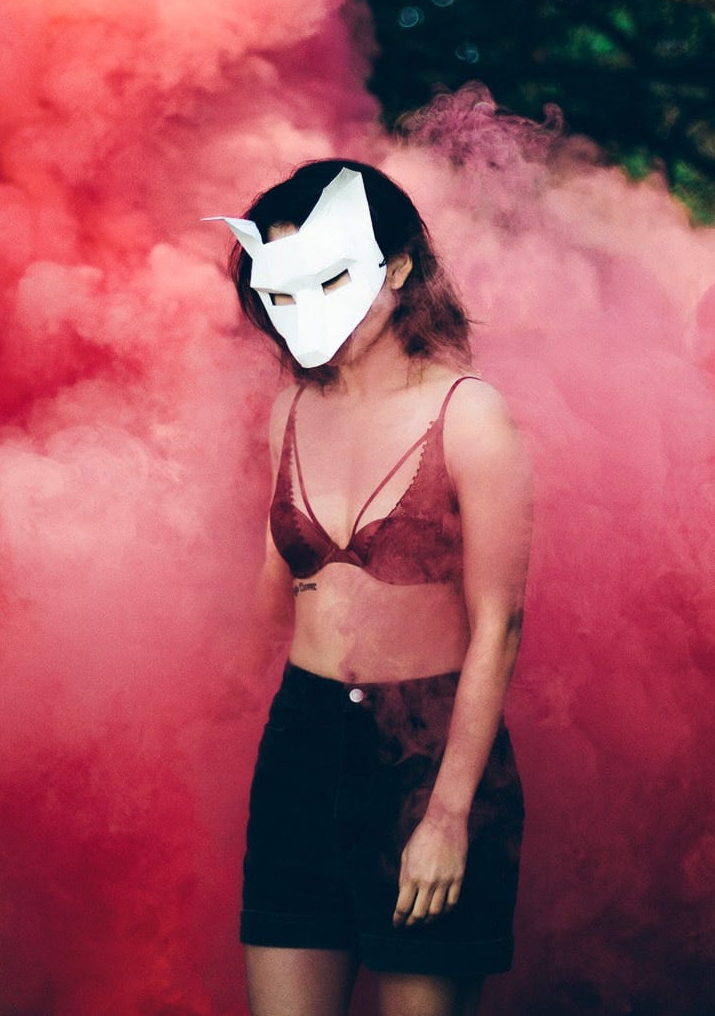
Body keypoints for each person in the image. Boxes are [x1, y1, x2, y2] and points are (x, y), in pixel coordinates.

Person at [211, 160, 533, 1016]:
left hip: (428, 752)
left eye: (330, 274)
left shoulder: (470, 415)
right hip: (302, 738)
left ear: (396, 267)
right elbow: (272, 589)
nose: (306, 310)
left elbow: (498, 624)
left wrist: (448, 813)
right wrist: (192, 711)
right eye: (282, 290)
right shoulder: (288, 410)